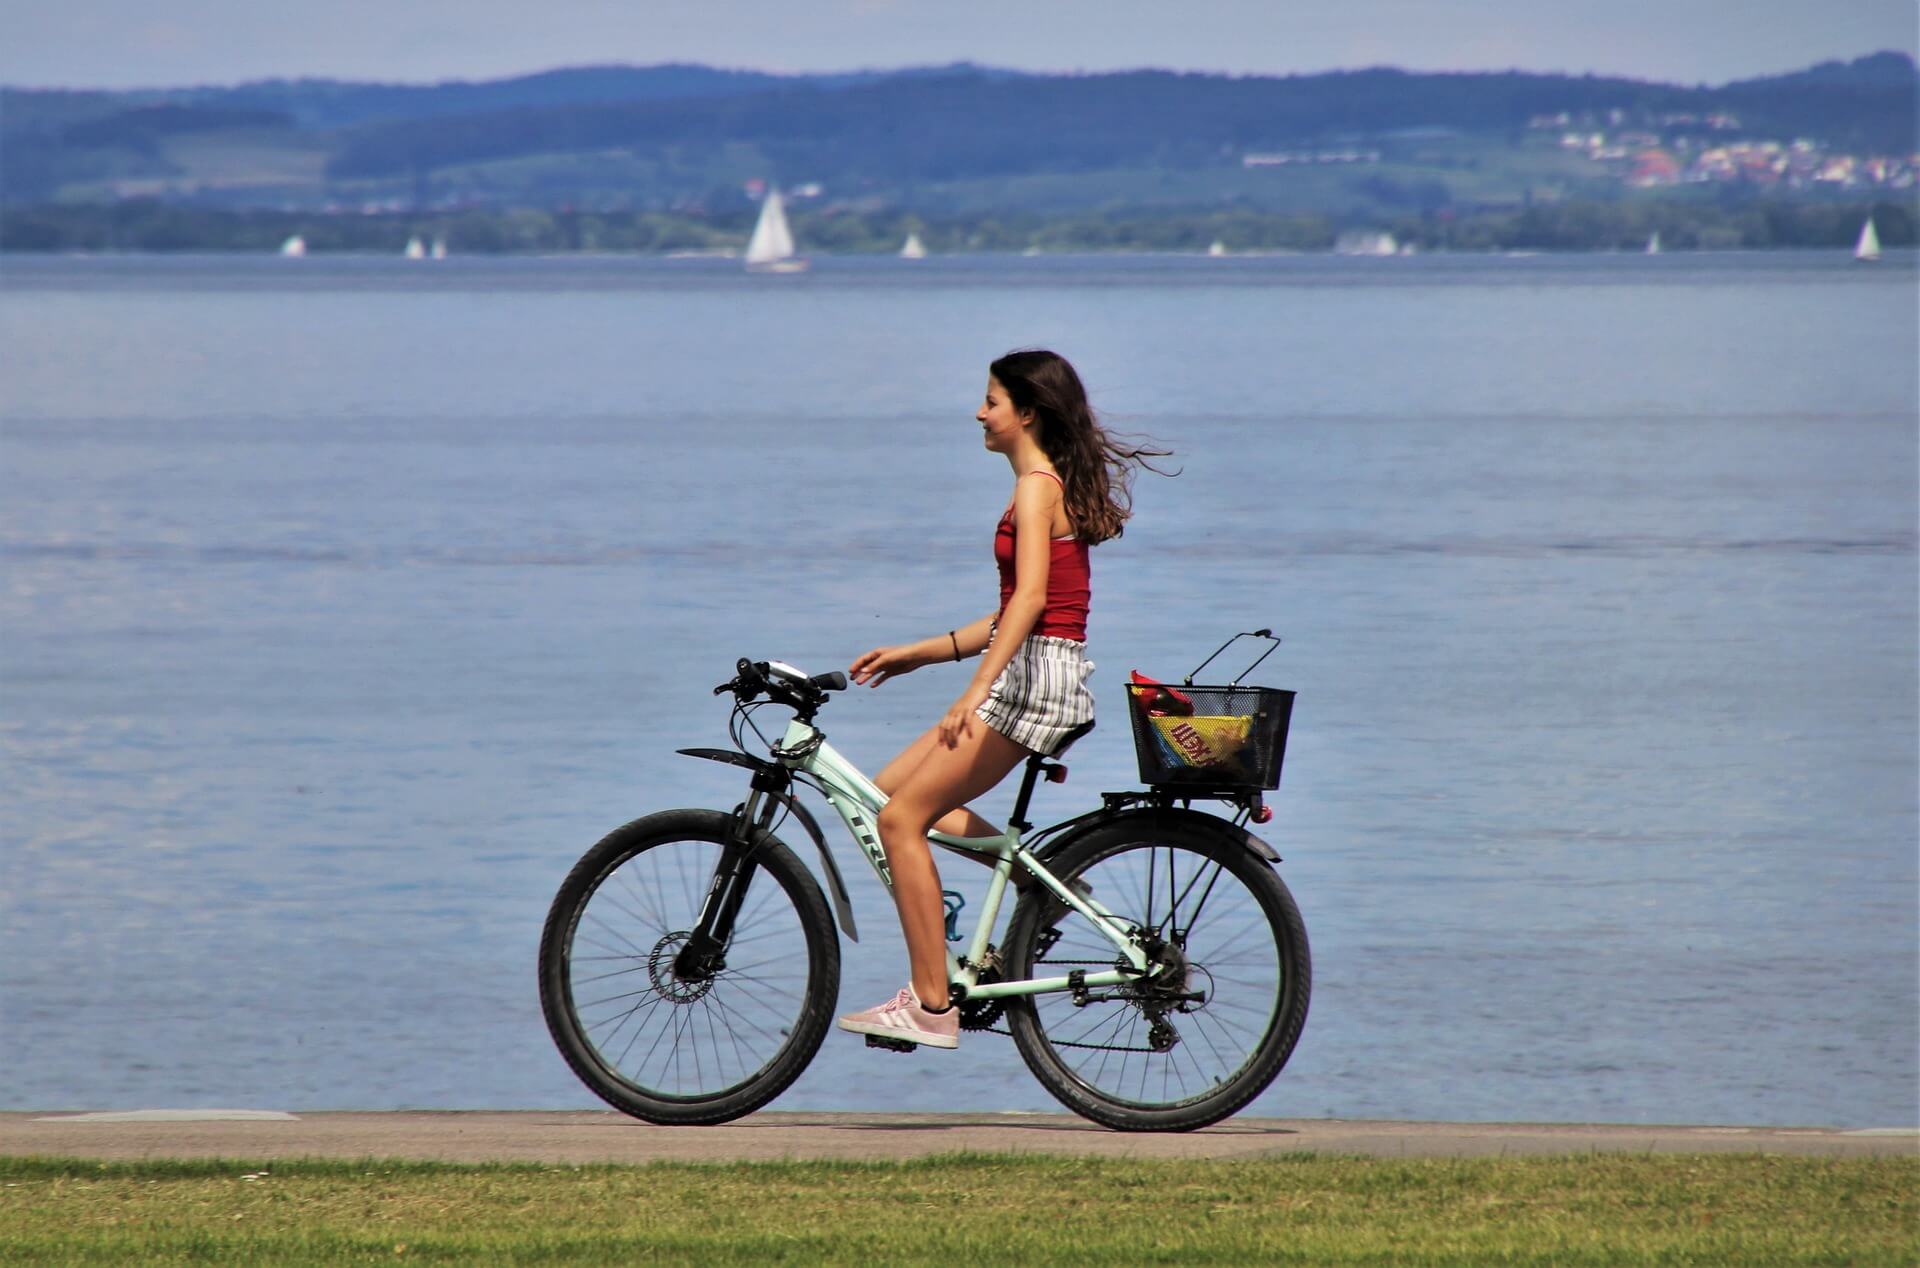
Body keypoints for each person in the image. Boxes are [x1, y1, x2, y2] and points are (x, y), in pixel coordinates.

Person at [836, 348, 1168, 1050]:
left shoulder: (1036, 488)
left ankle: (930, 1005)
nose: (979, 413)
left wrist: (974, 690)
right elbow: (1015, 610)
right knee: (886, 795)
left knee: (900, 822)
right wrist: (915, 654)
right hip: (1034, 667)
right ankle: (1037, 890)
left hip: (1034, 681)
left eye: (991, 401)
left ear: (1027, 412)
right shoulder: (1044, 487)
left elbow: (1032, 605)